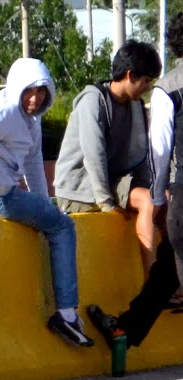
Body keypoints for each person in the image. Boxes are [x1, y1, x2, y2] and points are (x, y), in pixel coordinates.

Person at [0, 58, 93, 347]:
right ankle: (67, 315)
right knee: (64, 227)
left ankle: (66, 314)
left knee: (54, 220)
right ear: (17, 89)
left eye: (42, 91)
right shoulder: (2, 113)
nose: (35, 98)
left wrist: (44, 207)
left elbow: (32, 162)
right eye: (29, 91)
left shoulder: (32, 117)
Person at [89, 13, 183, 351]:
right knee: (165, 274)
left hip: (182, 195)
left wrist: (157, 198)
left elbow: (159, 151)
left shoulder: (169, 88)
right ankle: (124, 330)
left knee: (168, 270)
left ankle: (124, 330)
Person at [54, 40, 163, 281]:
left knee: (162, 201)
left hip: (113, 181)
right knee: (148, 202)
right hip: (80, 190)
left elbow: (140, 152)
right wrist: (106, 203)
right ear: (129, 75)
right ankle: (152, 286)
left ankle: (173, 285)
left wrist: (152, 186)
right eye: (146, 81)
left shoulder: (134, 105)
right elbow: (94, 155)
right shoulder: (93, 101)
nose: (148, 88)